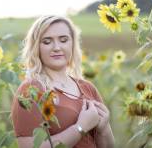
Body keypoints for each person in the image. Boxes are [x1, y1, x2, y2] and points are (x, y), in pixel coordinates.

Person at [11, 15, 115, 148]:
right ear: (36, 47)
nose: (57, 47)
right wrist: (80, 127)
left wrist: (104, 129)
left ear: (72, 44)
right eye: (47, 42)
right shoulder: (31, 89)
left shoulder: (87, 88)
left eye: (63, 40)